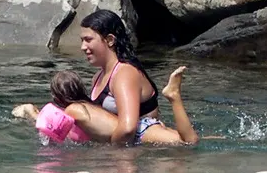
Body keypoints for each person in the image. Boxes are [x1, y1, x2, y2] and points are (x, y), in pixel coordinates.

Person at [78, 10, 199, 147]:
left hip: (144, 134)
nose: (83, 47)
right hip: (131, 141)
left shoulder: (125, 74)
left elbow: (128, 129)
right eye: (82, 41)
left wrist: (108, 153)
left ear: (110, 40)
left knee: (188, 143)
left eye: (88, 40)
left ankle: (173, 95)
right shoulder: (98, 77)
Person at [13, 71, 102, 144]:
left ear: (56, 97)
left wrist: (29, 110)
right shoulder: (91, 108)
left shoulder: (70, 111)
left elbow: (44, 126)